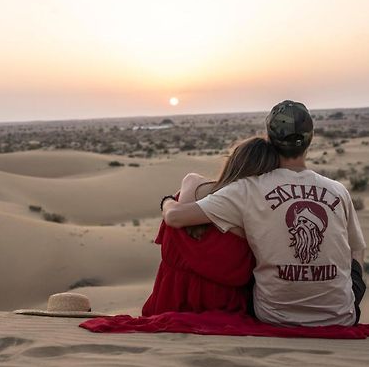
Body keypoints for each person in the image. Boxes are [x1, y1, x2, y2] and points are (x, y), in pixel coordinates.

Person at [162, 100, 366, 326]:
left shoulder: (247, 189)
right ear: (310, 139)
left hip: (273, 316)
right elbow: (357, 248)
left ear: (269, 139)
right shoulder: (338, 191)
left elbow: (175, 218)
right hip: (340, 316)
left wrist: (168, 201)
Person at [142, 137, 279, 316]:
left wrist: (167, 201)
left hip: (170, 298)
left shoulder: (192, 187)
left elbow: (175, 214)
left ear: (234, 162)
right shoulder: (255, 209)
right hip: (223, 307)